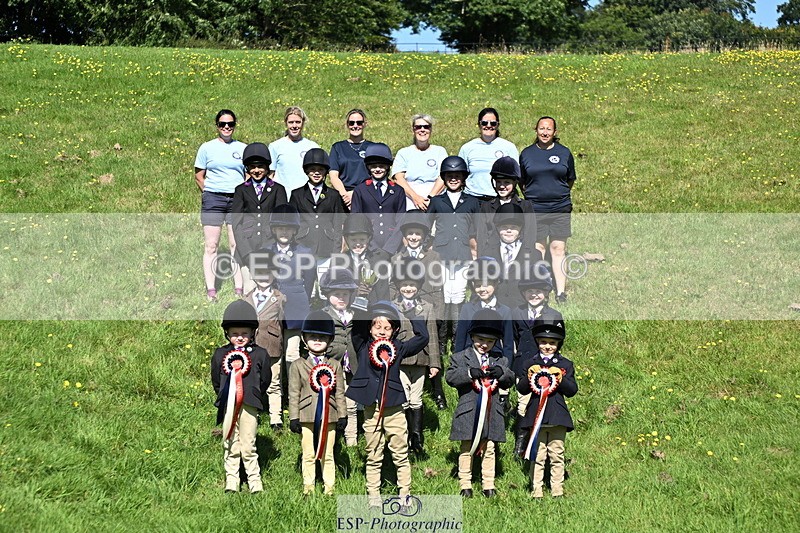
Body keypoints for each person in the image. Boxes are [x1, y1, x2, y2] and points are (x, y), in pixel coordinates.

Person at [346, 301, 429, 505]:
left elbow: (423, 338)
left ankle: (404, 494)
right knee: (373, 453)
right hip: (371, 409)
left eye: (387, 328)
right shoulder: (362, 344)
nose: (382, 331)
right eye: (377, 326)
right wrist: (362, 302)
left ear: (395, 331)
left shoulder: (399, 348)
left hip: (394, 408)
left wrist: (411, 313)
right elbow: (356, 327)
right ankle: (373, 496)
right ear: (370, 327)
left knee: (400, 452)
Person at [427, 156, 481, 409]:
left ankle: (457, 341)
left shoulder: (472, 202)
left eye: (458, 176)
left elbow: (477, 231)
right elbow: (428, 228)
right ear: (444, 177)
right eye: (449, 176)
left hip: (462, 257)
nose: (454, 179)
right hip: (441, 256)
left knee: (458, 298)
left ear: (464, 178)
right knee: (442, 298)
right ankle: (442, 338)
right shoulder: (437, 202)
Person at [446, 309, 515, 498]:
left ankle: (488, 485)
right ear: (472, 336)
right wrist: (469, 373)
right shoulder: (460, 357)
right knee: (466, 448)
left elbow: (510, 378)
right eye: (480, 340)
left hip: (492, 414)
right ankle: (465, 484)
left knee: (489, 448)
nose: (484, 345)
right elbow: (450, 377)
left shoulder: (500, 360)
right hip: (469, 411)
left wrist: (502, 374)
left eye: (490, 342)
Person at [210, 300, 271, 493]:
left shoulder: (260, 354)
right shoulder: (221, 354)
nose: (240, 337)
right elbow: (216, 379)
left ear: (252, 332)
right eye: (235, 334)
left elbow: (265, 379)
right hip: (228, 403)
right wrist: (225, 395)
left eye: (244, 333)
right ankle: (232, 480)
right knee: (230, 441)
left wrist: (253, 394)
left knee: (248, 442)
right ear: (227, 333)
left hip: (249, 404)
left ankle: (255, 481)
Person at [514, 321, 577, 498]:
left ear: (558, 345)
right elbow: (522, 389)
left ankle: (557, 490)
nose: (547, 346)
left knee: (557, 453)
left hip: (557, 416)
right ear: (537, 342)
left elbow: (572, 390)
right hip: (536, 416)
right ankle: (537, 490)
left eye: (552, 343)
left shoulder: (566, 364)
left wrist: (560, 378)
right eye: (543, 342)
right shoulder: (530, 363)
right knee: (538, 454)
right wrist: (530, 377)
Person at [519, 116, 577, 303]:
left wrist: (557, 195)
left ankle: (560, 293)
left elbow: (570, 179)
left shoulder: (564, 153)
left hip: (560, 208)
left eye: (549, 129)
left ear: (555, 132)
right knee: (538, 249)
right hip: (536, 208)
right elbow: (522, 181)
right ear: (536, 130)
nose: (545, 132)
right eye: (541, 128)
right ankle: (539, 289)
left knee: (558, 248)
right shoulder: (527, 153)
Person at [288, 311, 347, 496]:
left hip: (330, 414)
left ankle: (330, 487)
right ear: (305, 340)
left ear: (329, 341)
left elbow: (339, 392)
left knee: (328, 453)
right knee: (308, 452)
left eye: (322, 338)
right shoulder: (297, 365)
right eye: (313, 337)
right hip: (306, 414)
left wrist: (343, 415)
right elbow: (293, 392)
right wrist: (294, 416)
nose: (317, 341)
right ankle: (308, 486)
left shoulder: (335, 365)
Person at [268, 204, 317, 425]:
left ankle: (295, 405)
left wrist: (298, 298)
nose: (284, 233)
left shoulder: (305, 253)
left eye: (288, 229)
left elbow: (309, 281)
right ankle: (275, 412)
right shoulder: (266, 251)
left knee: (292, 356)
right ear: (274, 230)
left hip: (297, 308)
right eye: (280, 229)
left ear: (295, 231)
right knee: (274, 362)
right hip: (273, 312)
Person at [195, 109, 246, 301]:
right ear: (217, 126)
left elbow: (248, 175)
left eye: (230, 124)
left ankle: (239, 288)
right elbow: (199, 176)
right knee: (211, 245)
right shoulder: (206, 148)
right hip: (214, 200)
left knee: (236, 244)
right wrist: (210, 193)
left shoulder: (242, 148)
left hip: (237, 199)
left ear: (234, 125)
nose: (226, 127)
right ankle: (211, 290)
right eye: (223, 124)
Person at [510, 273, 564, 457]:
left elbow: (559, 342)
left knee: (541, 403)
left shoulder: (554, 315)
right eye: (530, 291)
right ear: (523, 293)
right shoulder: (516, 312)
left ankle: (541, 441)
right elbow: (512, 340)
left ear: (546, 293)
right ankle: (520, 444)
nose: (534, 295)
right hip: (523, 366)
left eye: (539, 291)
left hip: (546, 368)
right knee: (522, 404)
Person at [392, 259, 441, 455]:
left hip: (421, 360)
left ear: (419, 286)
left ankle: (417, 438)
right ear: (398, 286)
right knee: (403, 400)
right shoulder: (393, 306)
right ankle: (403, 437)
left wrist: (434, 363)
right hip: (401, 360)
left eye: (412, 285)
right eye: (404, 285)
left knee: (416, 399)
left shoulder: (426, 307)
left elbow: (433, 336)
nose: (408, 288)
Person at [232, 142, 289, 293]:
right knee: (249, 288)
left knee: (273, 289)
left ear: (267, 167)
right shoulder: (240, 190)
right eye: (252, 167)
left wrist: (275, 247)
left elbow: (282, 221)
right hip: (248, 245)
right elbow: (236, 223)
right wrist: (246, 252)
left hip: (270, 244)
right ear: (247, 168)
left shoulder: (278, 189)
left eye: (260, 166)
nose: (256, 170)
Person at [289, 148, 347, 288]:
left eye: (320, 169)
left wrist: (337, 247)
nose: (316, 173)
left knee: (325, 285)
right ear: (306, 171)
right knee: (304, 285)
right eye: (312, 169)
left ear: (326, 172)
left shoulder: (333, 195)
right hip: (303, 243)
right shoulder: (297, 194)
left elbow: (338, 222)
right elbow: (292, 222)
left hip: (326, 245)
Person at [245, 249, 287, 430]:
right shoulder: (246, 298)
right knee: (252, 380)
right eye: (260, 273)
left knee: (274, 382)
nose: (264, 277)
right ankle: (252, 413)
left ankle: (276, 418)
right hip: (253, 347)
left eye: (268, 273)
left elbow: (283, 322)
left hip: (272, 346)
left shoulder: (280, 298)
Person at [319, 268, 360, 446]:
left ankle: (351, 440)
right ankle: (331, 438)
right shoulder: (323, 315)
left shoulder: (357, 315)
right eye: (336, 294)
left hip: (352, 366)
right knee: (332, 401)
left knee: (351, 404)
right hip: (331, 365)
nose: (342, 298)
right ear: (327, 295)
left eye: (345, 293)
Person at [475, 156, 537, 256]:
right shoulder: (486, 206)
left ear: (515, 183)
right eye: (498, 182)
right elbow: (482, 237)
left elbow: (530, 236)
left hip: (518, 256)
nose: (502, 186)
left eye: (507, 182)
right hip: (493, 256)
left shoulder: (525, 206)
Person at [351, 143, 406, 253]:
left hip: (392, 246)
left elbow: (401, 221)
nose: (377, 169)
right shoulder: (360, 190)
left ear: (388, 166)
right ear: (368, 167)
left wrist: (389, 249)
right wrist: (373, 248)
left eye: (381, 166)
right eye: (373, 166)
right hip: (368, 246)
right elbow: (356, 219)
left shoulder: (398, 191)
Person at [458, 107, 519, 201]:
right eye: (484, 123)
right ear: (479, 124)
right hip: (473, 199)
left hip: (500, 199)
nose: (489, 126)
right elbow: (460, 175)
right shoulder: (467, 148)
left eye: (493, 123)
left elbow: (516, 175)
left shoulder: (508, 147)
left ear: (498, 125)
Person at [391, 114, 448, 211]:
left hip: (435, 195)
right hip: (409, 196)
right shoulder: (403, 153)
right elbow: (399, 179)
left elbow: (443, 176)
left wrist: (431, 198)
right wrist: (415, 198)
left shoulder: (440, 151)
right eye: (418, 127)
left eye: (426, 127)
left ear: (431, 130)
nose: (422, 130)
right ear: (413, 130)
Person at [269, 106, 320, 200]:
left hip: (306, 198)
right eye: (291, 122)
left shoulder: (313, 147)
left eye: (298, 122)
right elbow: (270, 175)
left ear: (303, 123)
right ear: (286, 123)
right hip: (283, 197)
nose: (294, 126)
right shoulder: (275, 146)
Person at [329, 109, 376, 209]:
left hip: (367, 195)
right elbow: (333, 176)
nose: (355, 126)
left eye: (359, 123)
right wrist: (345, 195)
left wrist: (356, 194)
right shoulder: (337, 147)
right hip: (343, 197)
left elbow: (377, 175)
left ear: (365, 124)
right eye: (352, 123)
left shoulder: (373, 148)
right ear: (347, 125)